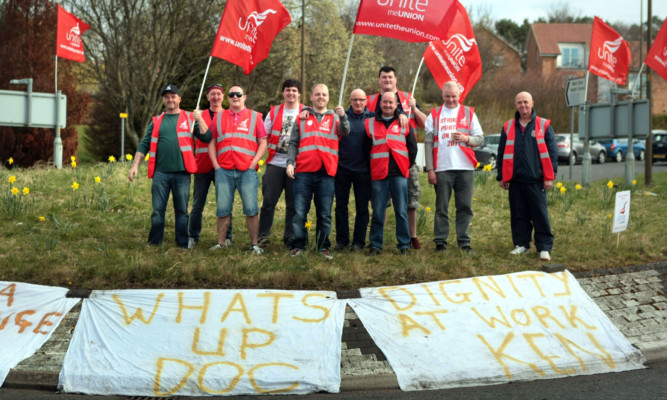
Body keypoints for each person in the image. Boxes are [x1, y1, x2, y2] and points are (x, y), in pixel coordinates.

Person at [128, 84, 211, 249]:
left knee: (181, 210)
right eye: (167, 97)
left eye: (173, 96)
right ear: (163, 100)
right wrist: (135, 165)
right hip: (161, 174)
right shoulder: (157, 121)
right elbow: (144, 144)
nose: (170, 99)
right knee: (158, 211)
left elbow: (207, 137)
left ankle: (182, 243)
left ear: (179, 99)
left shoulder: (189, 118)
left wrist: (200, 119)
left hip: (182, 174)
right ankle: (154, 242)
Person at [286, 83, 349, 259]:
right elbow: (293, 143)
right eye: (317, 94)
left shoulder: (336, 118)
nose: (321, 97)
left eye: (324, 94)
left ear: (328, 98)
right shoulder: (302, 118)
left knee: (324, 214)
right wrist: (290, 162)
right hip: (303, 172)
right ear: (311, 97)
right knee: (300, 213)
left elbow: (346, 130)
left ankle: (323, 247)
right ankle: (299, 245)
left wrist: (343, 116)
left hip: (326, 173)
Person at [367, 66, 427, 250]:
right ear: (379, 80)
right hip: (379, 166)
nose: (387, 80)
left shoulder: (408, 98)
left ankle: (411, 237)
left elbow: (425, 125)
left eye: (390, 77)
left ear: (396, 79)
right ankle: (378, 241)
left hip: (403, 164)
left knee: (409, 203)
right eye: (383, 77)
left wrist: (412, 109)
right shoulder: (370, 100)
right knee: (380, 207)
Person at [497, 91, 557, 261]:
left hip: (536, 180)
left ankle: (544, 247)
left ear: (532, 103)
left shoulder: (543, 125)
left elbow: (552, 153)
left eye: (525, 102)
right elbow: (501, 152)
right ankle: (521, 244)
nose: (522, 105)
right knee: (518, 214)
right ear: (515, 105)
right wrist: (501, 176)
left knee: (540, 214)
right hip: (515, 180)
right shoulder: (508, 126)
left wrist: (549, 177)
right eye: (519, 102)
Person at [207, 84, 268, 254]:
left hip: (246, 170)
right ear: (228, 98)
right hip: (224, 170)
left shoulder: (255, 117)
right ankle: (221, 243)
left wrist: (254, 163)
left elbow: (263, 142)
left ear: (244, 97)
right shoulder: (219, 117)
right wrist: (216, 165)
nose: (235, 97)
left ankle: (254, 244)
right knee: (223, 209)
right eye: (232, 94)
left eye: (238, 94)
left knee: (251, 209)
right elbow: (211, 142)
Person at [425, 82, 484, 253]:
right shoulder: (434, 115)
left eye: (454, 96)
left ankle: (464, 241)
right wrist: (430, 169)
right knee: (441, 207)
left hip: (465, 168)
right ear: (442, 96)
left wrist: (466, 138)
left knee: (465, 206)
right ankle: (440, 241)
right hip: (442, 168)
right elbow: (428, 143)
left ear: (459, 96)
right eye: (447, 96)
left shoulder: (469, 113)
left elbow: (480, 140)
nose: (451, 100)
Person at [366, 92, 417, 255]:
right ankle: (375, 244)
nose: (387, 105)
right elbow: (365, 149)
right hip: (379, 173)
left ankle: (404, 245)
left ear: (397, 105)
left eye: (391, 102)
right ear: (380, 104)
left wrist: (406, 165)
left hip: (399, 174)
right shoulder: (370, 123)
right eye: (385, 102)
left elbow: (412, 147)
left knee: (401, 211)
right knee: (378, 211)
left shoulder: (405, 122)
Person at [258, 79, 304, 248]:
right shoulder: (274, 111)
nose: (291, 93)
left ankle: (290, 238)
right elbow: (263, 136)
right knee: (268, 203)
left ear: (299, 93)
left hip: (297, 165)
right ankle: (263, 237)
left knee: (293, 204)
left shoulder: (306, 111)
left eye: (294, 90)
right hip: (275, 164)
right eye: (287, 90)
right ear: (283, 92)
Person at [188, 83, 232, 249]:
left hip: (223, 165)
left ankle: (227, 237)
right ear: (207, 97)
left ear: (223, 97)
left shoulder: (228, 115)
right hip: (202, 165)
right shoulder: (199, 115)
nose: (216, 97)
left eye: (219, 94)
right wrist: (197, 119)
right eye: (212, 94)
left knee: (225, 203)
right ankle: (193, 236)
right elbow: (204, 137)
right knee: (198, 204)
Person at [333, 88, 373, 251]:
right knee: (341, 206)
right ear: (350, 100)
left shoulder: (372, 118)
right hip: (342, 168)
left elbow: (390, 112)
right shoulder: (340, 116)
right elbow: (318, 111)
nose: (358, 103)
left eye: (361, 100)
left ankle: (358, 242)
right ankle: (342, 241)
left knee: (362, 207)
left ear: (366, 101)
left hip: (364, 170)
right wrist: (306, 110)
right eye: (355, 99)